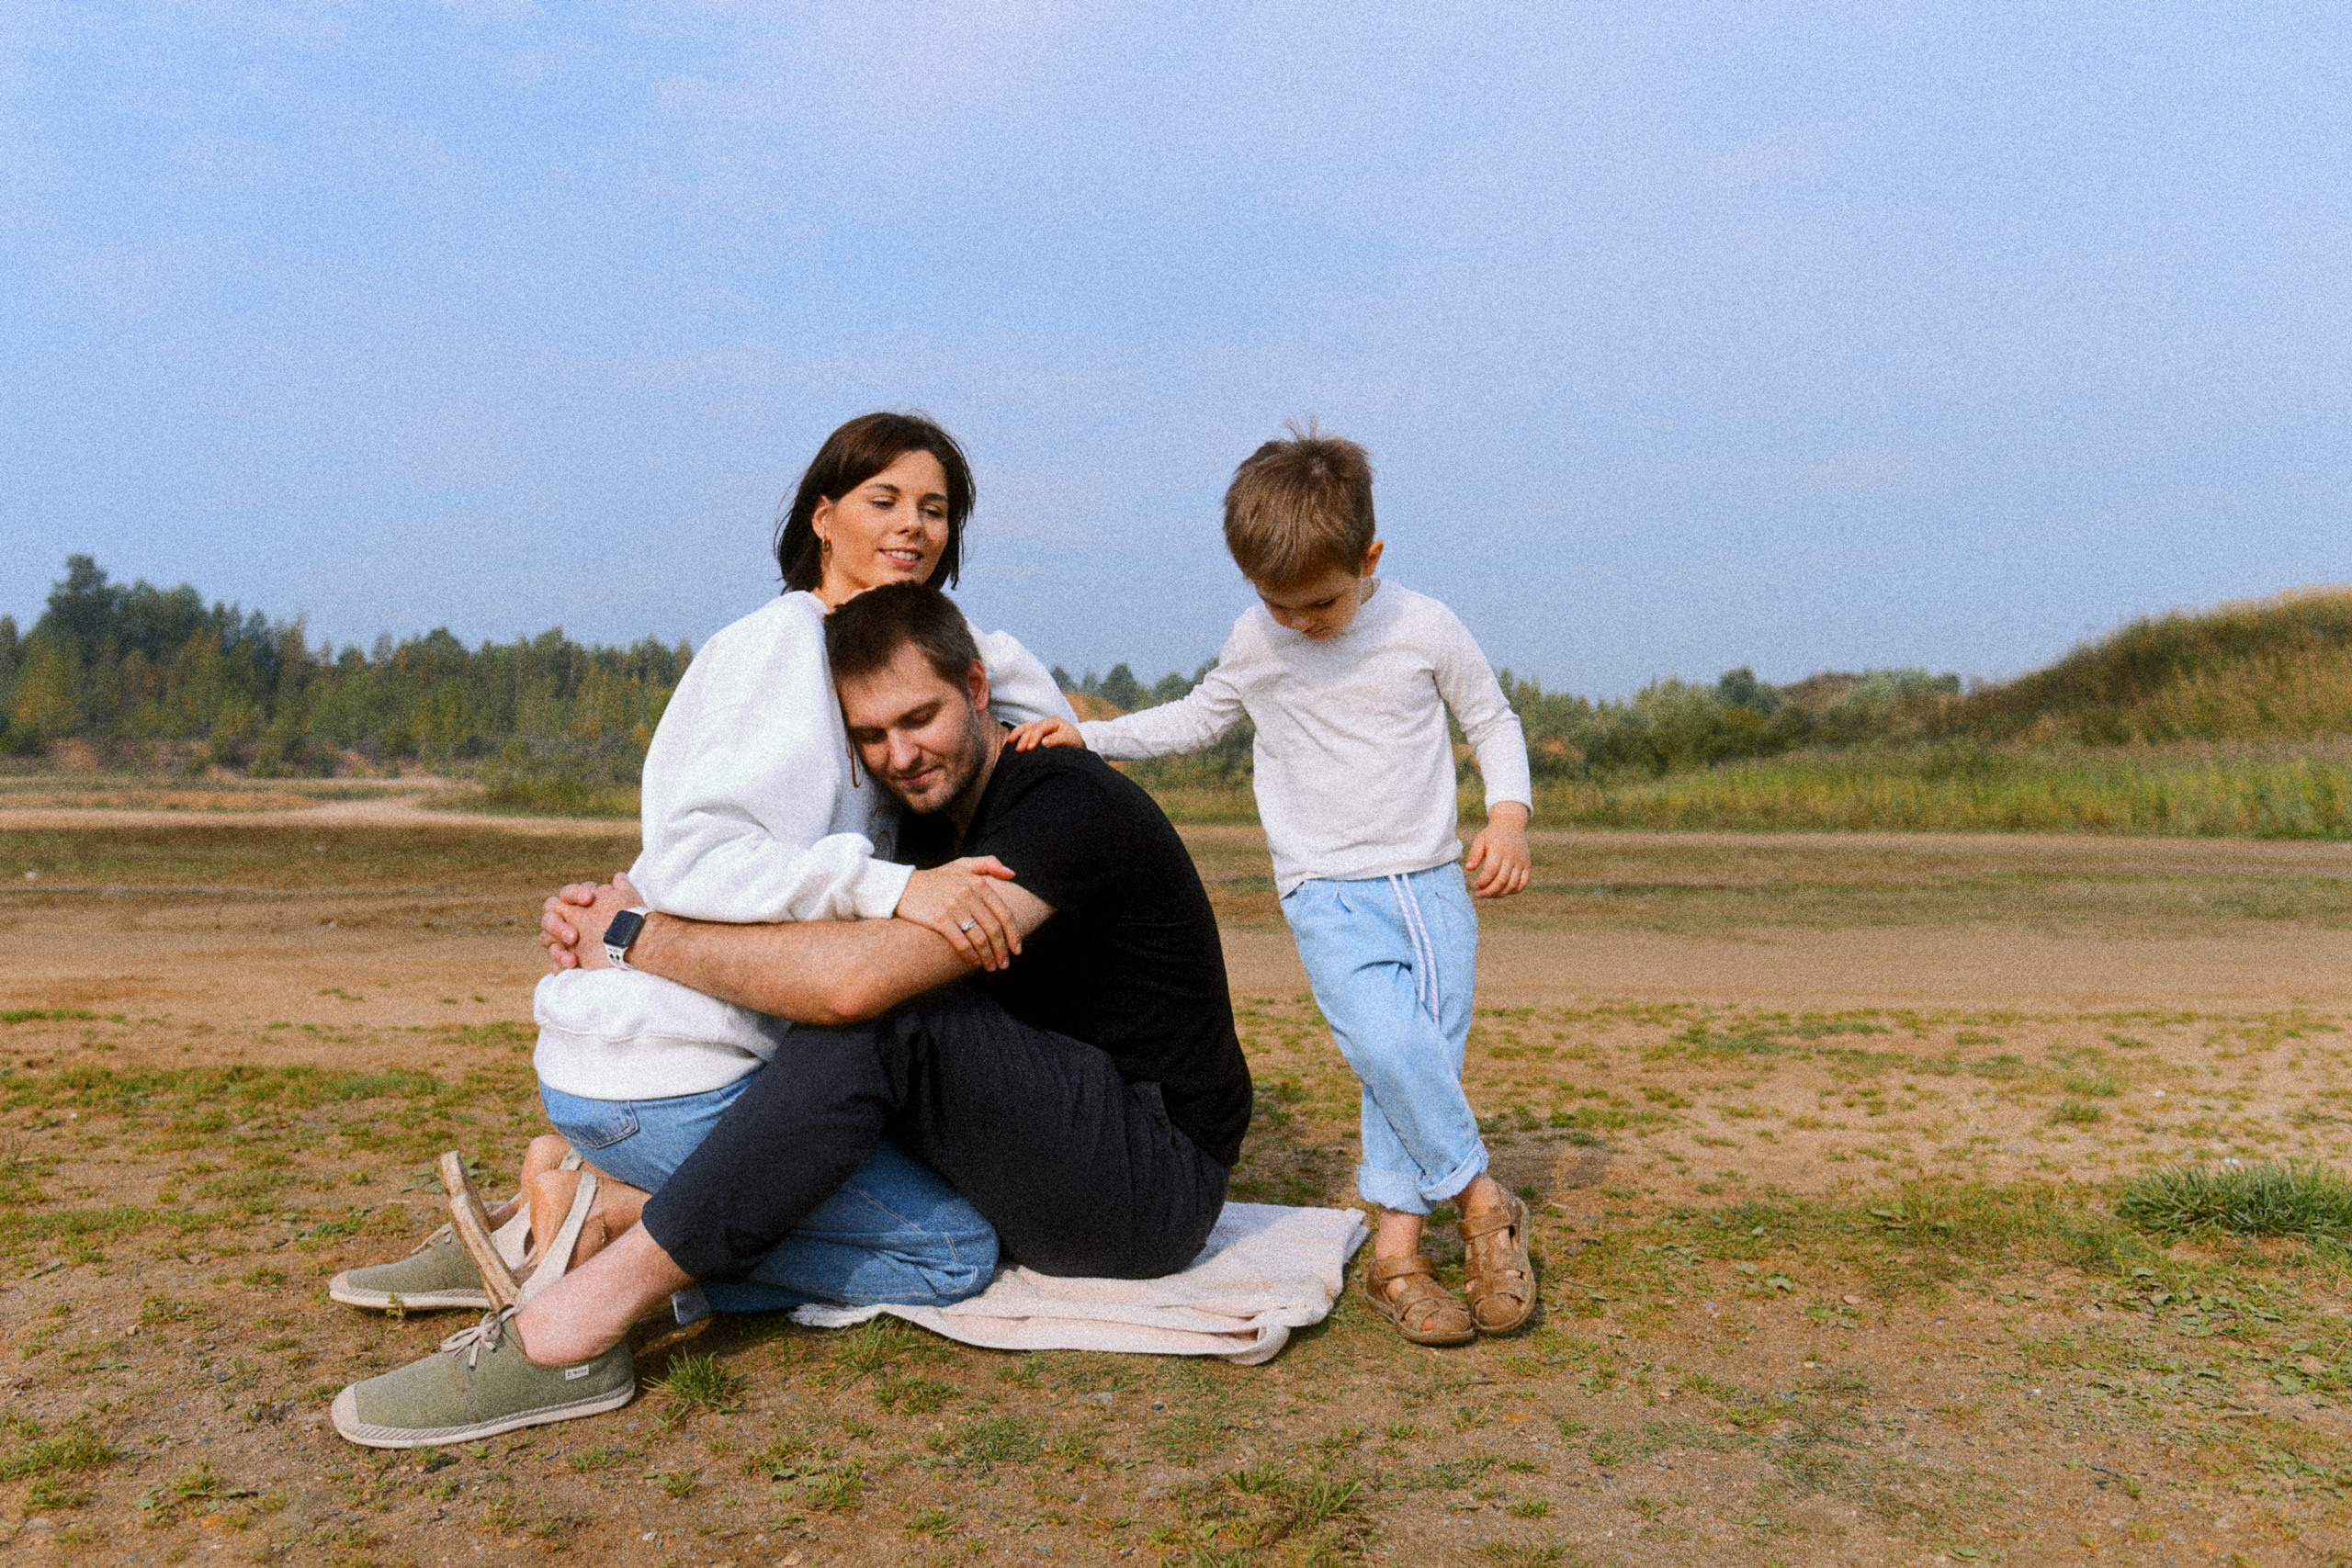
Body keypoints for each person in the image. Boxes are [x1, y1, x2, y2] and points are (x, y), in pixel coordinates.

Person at [329, 581, 1252, 1448]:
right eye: (873, 736)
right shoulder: (926, 829)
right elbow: (784, 913)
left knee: (895, 1016)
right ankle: (584, 1220)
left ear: (976, 688)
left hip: (1147, 1181)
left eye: (920, 718)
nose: (900, 755)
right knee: (853, 1010)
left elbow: (855, 990)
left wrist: (636, 934)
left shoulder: (1064, 803)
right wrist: (625, 907)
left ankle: (581, 1315)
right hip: (1036, 1131)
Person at [329, 412, 1072, 1325]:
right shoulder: (783, 647)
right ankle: (603, 1221)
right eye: (885, 501)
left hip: (636, 1068)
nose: (914, 525)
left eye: (936, 508)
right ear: (822, 517)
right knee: (949, 1251)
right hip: (678, 1076)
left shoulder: (882, 659)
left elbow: (1021, 709)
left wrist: (1079, 732)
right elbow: (699, 854)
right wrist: (895, 886)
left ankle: (558, 1206)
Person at [1008, 424, 1535, 1345]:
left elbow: (1491, 719)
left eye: (1321, 603)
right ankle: (1484, 1199)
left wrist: (1507, 817)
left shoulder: (1425, 626)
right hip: (1326, 892)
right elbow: (1197, 718)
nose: (1302, 622)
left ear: (1368, 557)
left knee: (1410, 1067)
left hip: (1432, 884)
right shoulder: (1258, 641)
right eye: (1277, 603)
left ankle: (1397, 1257)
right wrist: (1089, 735)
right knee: (1383, 1043)